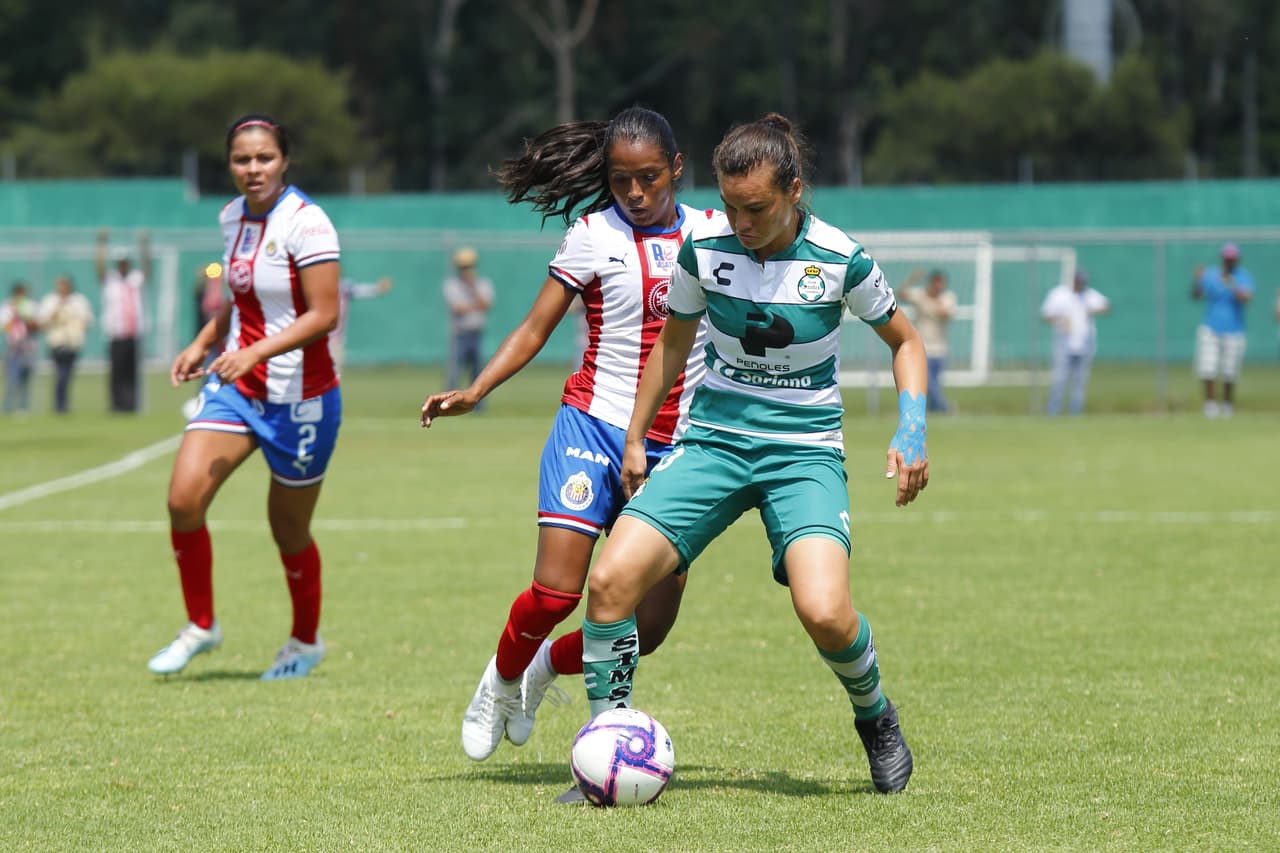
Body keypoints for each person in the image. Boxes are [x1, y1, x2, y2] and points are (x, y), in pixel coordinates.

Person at [577, 113, 927, 795]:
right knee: (608, 584)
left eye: (757, 208)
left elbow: (906, 342)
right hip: (712, 444)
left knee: (825, 611)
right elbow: (672, 346)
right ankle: (605, 745)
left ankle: (875, 716)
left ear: (794, 190)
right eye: (732, 206)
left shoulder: (840, 257)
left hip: (803, 455)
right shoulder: (703, 249)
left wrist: (910, 430)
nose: (740, 222)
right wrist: (633, 435)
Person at [420, 106, 710, 764]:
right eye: (620, 180)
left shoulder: (715, 235)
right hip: (592, 427)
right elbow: (532, 328)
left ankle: (543, 667)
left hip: (675, 448)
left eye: (649, 178)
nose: (635, 193)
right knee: (556, 590)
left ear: (677, 169)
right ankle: (497, 683)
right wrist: (476, 389)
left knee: (649, 628)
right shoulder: (591, 234)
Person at [148, 113, 343, 681]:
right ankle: (201, 626)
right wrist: (203, 341)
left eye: (263, 158)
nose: (252, 169)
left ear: (283, 161)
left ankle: (305, 643)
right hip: (237, 390)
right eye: (241, 159)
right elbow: (239, 301)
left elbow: (323, 314)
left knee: (288, 531)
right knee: (184, 501)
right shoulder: (231, 216)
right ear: (229, 164)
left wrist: (256, 352)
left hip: (302, 400)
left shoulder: (309, 224)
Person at [1192, 243, 1254, 418]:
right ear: (1222, 259)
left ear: (1237, 259)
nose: (1230, 261)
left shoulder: (1243, 276)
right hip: (1211, 328)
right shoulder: (1211, 274)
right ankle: (1210, 405)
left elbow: (1247, 298)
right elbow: (1196, 295)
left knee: (1230, 371)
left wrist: (1232, 283)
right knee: (1208, 367)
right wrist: (1197, 280)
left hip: (1235, 330)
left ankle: (1227, 405)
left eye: (1232, 259)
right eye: (1227, 259)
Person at [1040, 268, 1110, 416]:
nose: (1079, 284)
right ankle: (1053, 412)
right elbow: (1046, 314)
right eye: (1077, 281)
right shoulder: (1059, 294)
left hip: (1084, 341)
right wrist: (1060, 320)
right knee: (1059, 378)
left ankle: (1076, 412)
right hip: (1064, 340)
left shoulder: (1089, 295)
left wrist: (1091, 311)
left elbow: (1105, 306)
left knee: (1080, 381)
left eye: (1082, 282)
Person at [95, 229, 151, 413]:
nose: (123, 266)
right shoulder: (110, 280)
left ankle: (131, 405)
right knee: (117, 372)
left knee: (132, 372)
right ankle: (116, 405)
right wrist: (102, 243)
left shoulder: (136, 279)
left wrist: (144, 245)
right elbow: (99, 266)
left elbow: (147, 267)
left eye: (125, 263)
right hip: (116, 333)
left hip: (134, 333)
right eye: (120, 263)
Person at [897, 268, 956, 412]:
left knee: (934, 383)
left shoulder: (947, 297)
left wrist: (934, 302)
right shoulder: (920, 295)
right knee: (927, 383)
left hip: (940, 348)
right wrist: (912, 279)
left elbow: (946, 314)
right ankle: (945, 406)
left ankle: (934, 409)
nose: (938, 286)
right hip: (922, 347)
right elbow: (900, 293)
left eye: (940, 283)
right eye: (936, 283)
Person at [37, 274, 95, 414]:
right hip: (57, 342)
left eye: (65, 284)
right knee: (61, 373)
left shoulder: (78, 301)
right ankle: (60, 405)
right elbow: (42, 322)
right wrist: (56, 311)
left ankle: (63, 403)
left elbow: (87, 320)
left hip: (73, 342)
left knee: (67, 374)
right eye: (60, 284)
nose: (63, 287)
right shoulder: (50, 301)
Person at [442, 248, 494, 391]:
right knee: (454, 373)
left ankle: (478, 407)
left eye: (469, 267)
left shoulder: (482, 284)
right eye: (463, 267)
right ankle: (447, 402)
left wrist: (472, 288)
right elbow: (457, 308)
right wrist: (475, 306)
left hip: (476, 333)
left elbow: (486, 304)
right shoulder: (452, 284)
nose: (467, 270)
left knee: (478, 374)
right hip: (460, 335)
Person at [331, 275, 394, 371]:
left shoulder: (343, 287)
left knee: (334, 373)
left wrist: (377, 289)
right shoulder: (315, 286)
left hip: (336, 339)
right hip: (318, 339)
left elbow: (359, 290)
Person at [1, 281, 40, 415]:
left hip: (28, 347)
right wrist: (15, 314)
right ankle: (7, 407)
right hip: (14, 348)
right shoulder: (7, 306)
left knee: (26, 379)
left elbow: (37, 325)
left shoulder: (31, 306)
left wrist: (26, 317)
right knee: (12, 379)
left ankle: (23, 407)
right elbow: (5, 326)